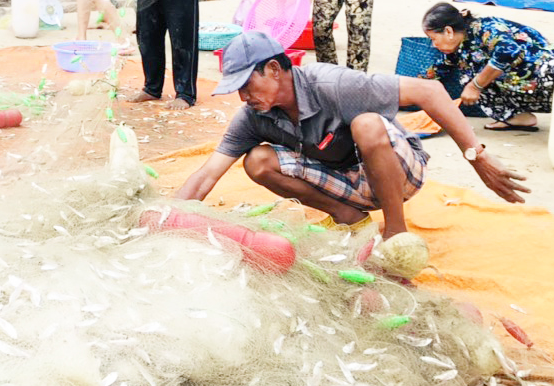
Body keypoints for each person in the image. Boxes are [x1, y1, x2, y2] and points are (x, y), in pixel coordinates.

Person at [175, 31, 529, 241]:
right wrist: (165, 217)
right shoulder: (254, 116)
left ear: (273, 69)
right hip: (343, 182)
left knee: (367, 124)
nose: (243, 97)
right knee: (257, 161)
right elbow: (208, 173)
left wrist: (478, 158)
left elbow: (431, 91)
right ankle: (348, 216)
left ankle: (395, 233)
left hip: (399, 172)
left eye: (245, 85)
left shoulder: (331, 84)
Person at [420, 3, 554, 132]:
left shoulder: (485, 28)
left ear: (448, 31)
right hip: (531, 86)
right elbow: (438, 70)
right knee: (468, 75)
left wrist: (475, 85)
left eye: (433, 39)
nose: (433, 45)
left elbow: (509, 51)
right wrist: (405, 89)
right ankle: (518, 118)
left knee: (472, 79)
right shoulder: (457, 49)